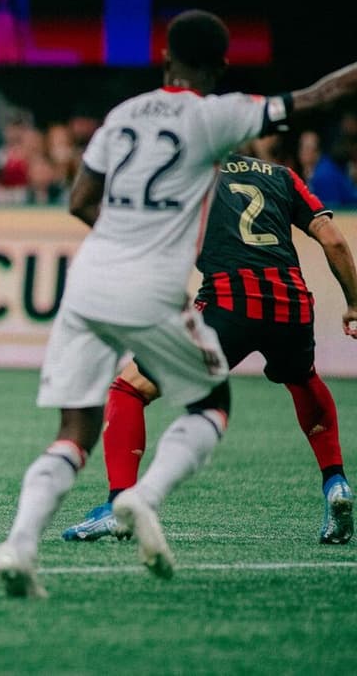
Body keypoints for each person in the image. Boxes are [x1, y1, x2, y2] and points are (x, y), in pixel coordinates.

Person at [0, 10, 357, 598]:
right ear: (220, 68)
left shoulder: (121, 115)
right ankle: (143, 497)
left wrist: (123, 234)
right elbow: (320, 96)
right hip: (152, 289)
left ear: (165, 60)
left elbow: (80, 199)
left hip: (88, 281)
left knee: (74, 430)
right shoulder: (217, 116)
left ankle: (20, 544)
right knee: (210, 406)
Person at [62, 153, 357, 545]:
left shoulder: (187, 173)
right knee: (302, 380)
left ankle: (119, 506)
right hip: (291, 300)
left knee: (129, 388)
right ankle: (335, 482)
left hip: (228, 301)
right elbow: (332, 237)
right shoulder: (281, 174)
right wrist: (354, 302)